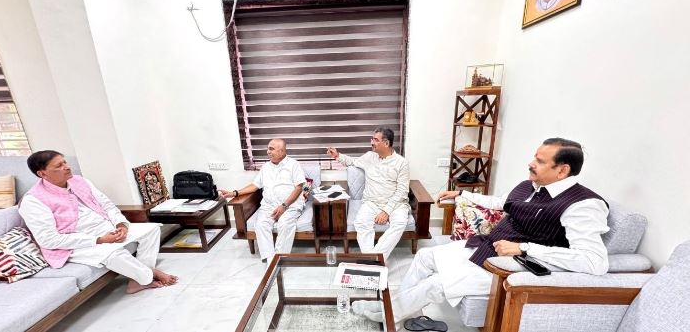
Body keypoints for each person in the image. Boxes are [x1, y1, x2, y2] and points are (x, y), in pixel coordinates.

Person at [353, 138, 610, 327]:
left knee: (436, 283)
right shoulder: (531, 185)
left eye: (540, 161)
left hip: (510, 266)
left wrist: (524, 248)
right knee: (424, 256)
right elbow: (500, 202)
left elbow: (594, 262)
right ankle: (395, 307)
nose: (531, 164)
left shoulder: (583, 205)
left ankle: (390, 314)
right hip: (487, 246)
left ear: (562, 170)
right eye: (534, 157)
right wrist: (461, 194)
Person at [18, 150, 178, 294]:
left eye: (65, 162)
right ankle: (148, 276)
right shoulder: (33, 201)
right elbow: (48, 240)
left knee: (152, 230)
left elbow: (107, 205)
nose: (67, 167)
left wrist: (121, 225)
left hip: (106, 230)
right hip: (77, 244)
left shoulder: (79, 181)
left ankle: (137, 280)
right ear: (42, 174)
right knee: (114, 253)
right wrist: (99, 240)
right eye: (59, 166)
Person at [326, 127, 410, 260]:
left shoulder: (402, 163)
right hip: (372, 202)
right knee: (360, 222)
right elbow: (352, 162)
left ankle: (374, 258)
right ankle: (373, 258)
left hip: (395, 204)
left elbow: (402, 191)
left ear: (386, 143)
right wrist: (337, 155)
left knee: (400, 223)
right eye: (372, 139)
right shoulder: (369, 156)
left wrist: (386, 211)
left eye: (375, 140)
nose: (371, 142)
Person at [219, 139, 305, 263]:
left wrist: (284, 206)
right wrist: (235, 193)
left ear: (282, 151)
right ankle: (271, 260)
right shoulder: (266, 167)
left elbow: (299, 187)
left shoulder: (293, 165)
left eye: (271, 149)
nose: (268, 152)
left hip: (289, 205)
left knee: (285, 224)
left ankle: (280, 258)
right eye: (268, 148)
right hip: (268, 206)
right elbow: (255, 185)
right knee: (260, 225)